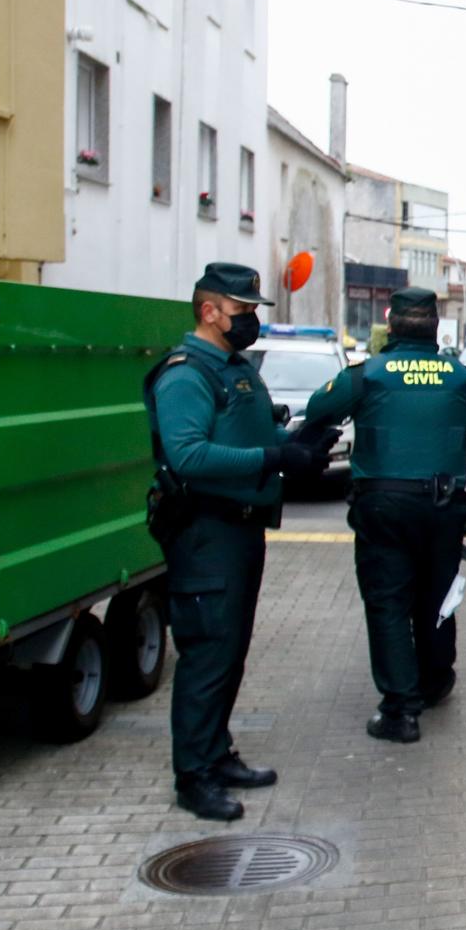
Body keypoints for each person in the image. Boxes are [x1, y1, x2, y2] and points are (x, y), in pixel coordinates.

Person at [144, 262, 337, 821]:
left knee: (229, 651)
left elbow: (250, 433)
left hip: (240, 528)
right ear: (209, 311)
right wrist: (275, 457)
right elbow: (188, 455)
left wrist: (298, 441)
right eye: (242, 311)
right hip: (206, 531)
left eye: (254, 310)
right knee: (207, 654)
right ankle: (194, 777)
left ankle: (216, 753)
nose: (250, 320)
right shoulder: (186, 374)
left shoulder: (232, 369)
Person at [302, 287, 466, 744]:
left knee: (388, 601)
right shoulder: (459, 375)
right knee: (437, 596)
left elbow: (317, 409)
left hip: (384, 505)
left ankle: (400, 711)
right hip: (444, 506)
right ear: (436, 324)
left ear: (390, 321)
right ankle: (435, 680)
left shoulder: (367, 374)